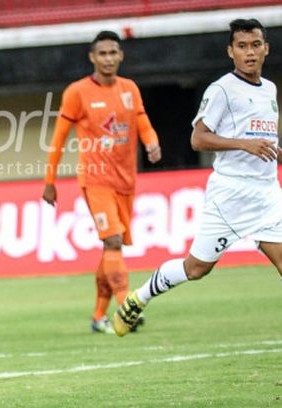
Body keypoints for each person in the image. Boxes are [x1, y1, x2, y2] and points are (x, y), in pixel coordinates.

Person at [113, 18, 281, 336]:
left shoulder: (269, 89)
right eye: (242, 46)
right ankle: (140, 297)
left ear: (266, 49)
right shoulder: (222, 90)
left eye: (255, 45)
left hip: (267, 195)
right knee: (196, 268)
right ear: (230, 51)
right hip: (229, 196)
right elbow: (198, 139)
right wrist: (244, 145)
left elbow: (262, 138)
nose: (250, 52)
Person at [42, 30, 161, 334]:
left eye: (113, 53)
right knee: (113, 240)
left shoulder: (129, 88)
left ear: (121, 56)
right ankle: (126, 308)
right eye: (102, 53)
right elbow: (58, 138)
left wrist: (152, 142)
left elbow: (142, 119)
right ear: (92, 57)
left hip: (126, 180)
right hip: (96, 179)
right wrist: (50, 180)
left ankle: (98, 316)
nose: (108, 59)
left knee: (112, 250)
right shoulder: (77, 92)